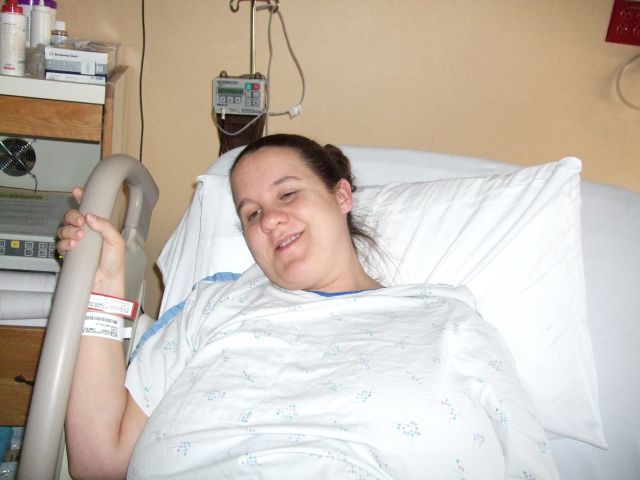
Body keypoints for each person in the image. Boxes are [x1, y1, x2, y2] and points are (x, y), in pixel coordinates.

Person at [58, 134, 558, 479]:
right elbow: (100, 462)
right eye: (251, 213)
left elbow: (528, 463)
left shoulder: (445, 319)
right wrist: (103, 288)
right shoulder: (214, 306)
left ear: (341, 195)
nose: (269, 220)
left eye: (289, 194)